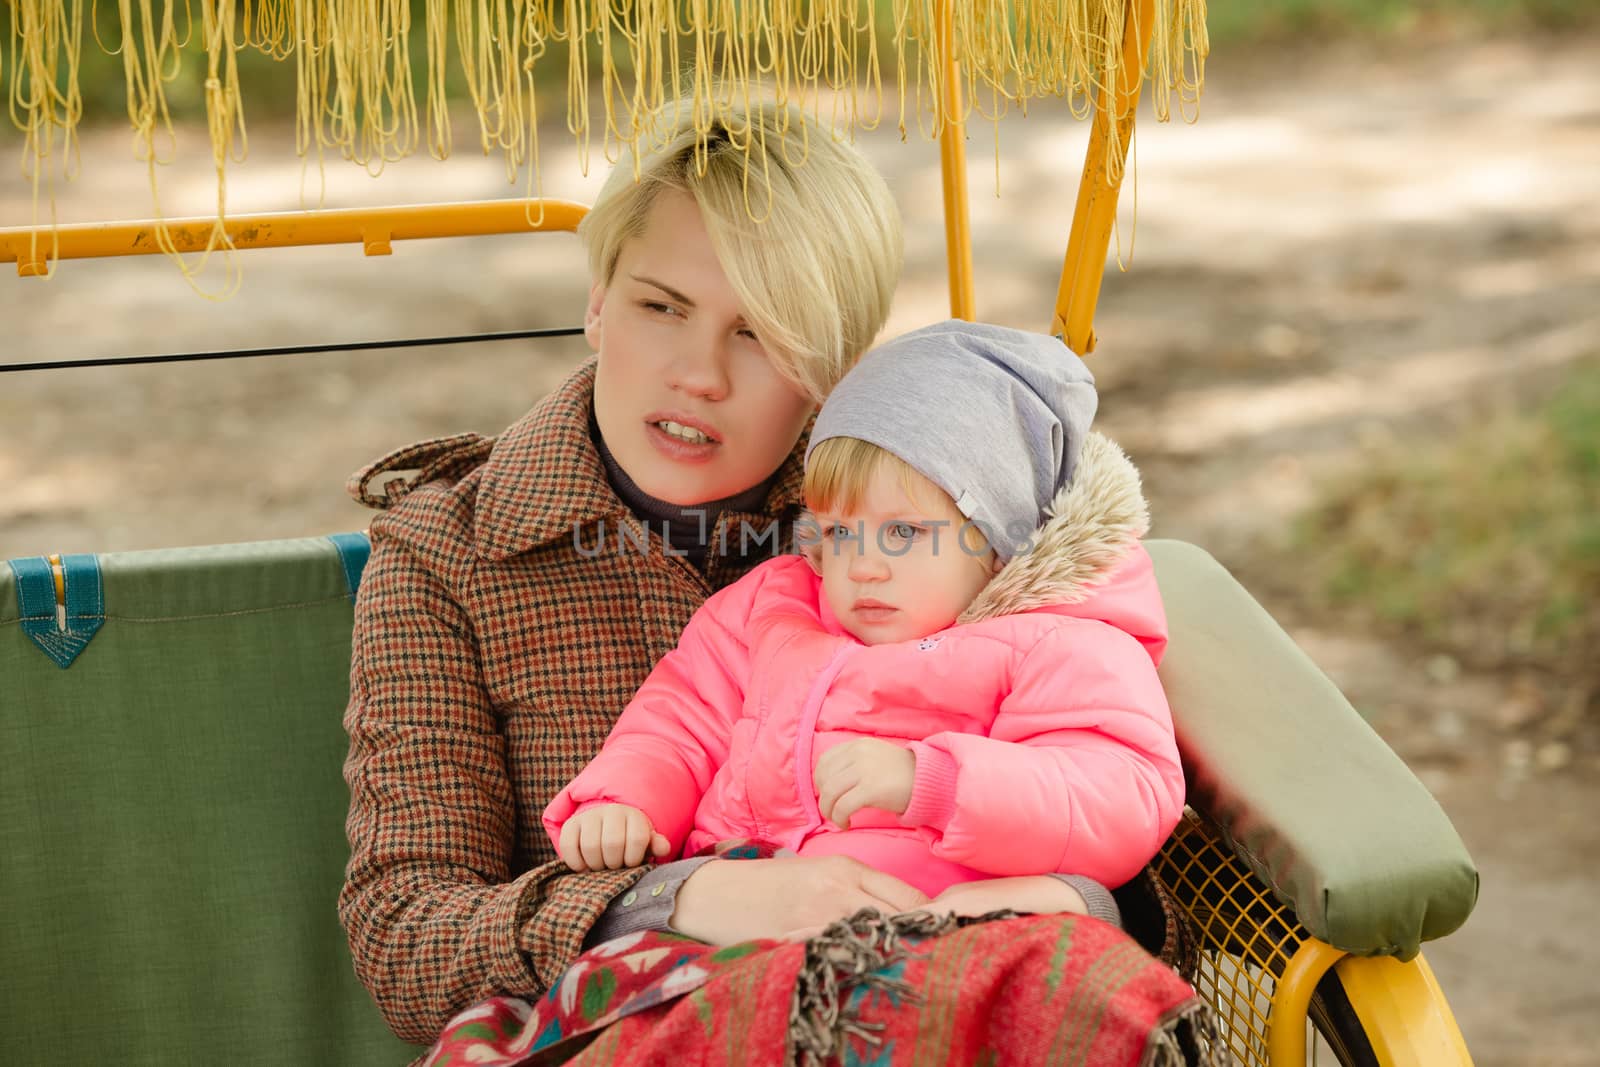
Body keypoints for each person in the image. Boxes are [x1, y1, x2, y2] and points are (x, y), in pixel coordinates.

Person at [341, 97, 1208, 1062]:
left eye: (758, 334)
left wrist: (1059, 898)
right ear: (597, 299)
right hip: (640, 1010)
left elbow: (1126, 816)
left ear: (832, 370)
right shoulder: (448, 551)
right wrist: (684, 895)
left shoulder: (941, 527)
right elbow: (405, 931)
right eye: (660, 306)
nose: (700, 374)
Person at [542, 320, 1184, 920]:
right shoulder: (774, 608)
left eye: (903, 532)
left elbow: (1117, 794)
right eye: (841, 531)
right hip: (741, 913)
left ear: (997, 536)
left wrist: (934, 782)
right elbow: (682, 721)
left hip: (927, 924)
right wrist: (626, 799)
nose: (863, 566)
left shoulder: (1057, 643)